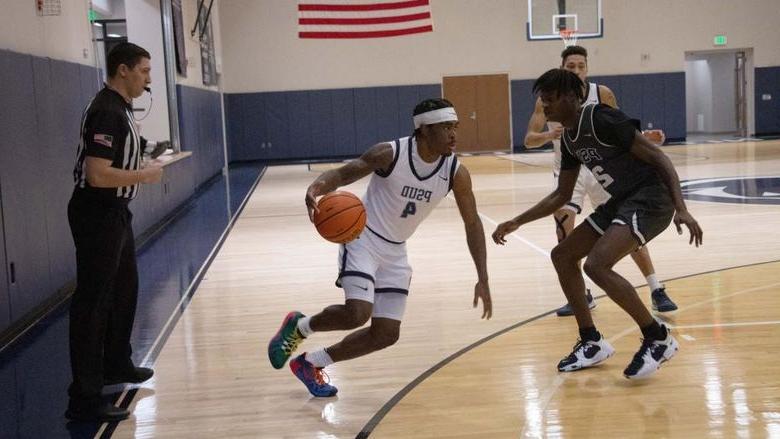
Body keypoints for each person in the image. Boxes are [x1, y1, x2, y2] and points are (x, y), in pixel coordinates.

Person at [268, 98, 492, 397]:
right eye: (445, 127)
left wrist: (483, 277)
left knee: (386, 334)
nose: (454, 134)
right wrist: (316, 189)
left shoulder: (456, 172)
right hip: (362, 238)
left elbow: (472, 223)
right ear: (424, 130)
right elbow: (343, 173)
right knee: (357, 313)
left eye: (455, 127)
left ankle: (310, 363)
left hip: (396, 251)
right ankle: (300, 328)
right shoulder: (390, 153)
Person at [493, 69, 702, 379]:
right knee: (562, 255)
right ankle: (591, 341)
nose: (545, 108)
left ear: (570, 98)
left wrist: (681, 208)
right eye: (542, 102)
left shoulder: (601, 117)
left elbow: (660, 159)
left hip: (652, 198)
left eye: (549, 101)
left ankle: (657, 337)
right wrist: (517, 221)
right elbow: (561, 194)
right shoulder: (568, 140)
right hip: (622, 199)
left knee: (597, 265)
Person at [524, 45, 677, 316]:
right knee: (564, 229)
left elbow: (620, 127)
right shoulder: (547, 100)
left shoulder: (601, 94)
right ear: (562, 68)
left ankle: (655, 287)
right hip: (569, 168)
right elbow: (528, 139)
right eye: (571, 66)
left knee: (627, 225)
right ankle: (581, 295)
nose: (577, 70)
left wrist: (645, 135)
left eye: (581, 65)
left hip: (601, 168)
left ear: (587, 68)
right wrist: (551, 135)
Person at [66, 42, 163, 421]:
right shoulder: (107, 110)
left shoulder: (120, 108)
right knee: (93, 305)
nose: (148, 78)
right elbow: (97, 174)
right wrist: (145, 174)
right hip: (96, 214)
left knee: (124, 291)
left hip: (116, 213)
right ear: (123, 70)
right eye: (143, 71)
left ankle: (116, 363)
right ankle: (84, 398)